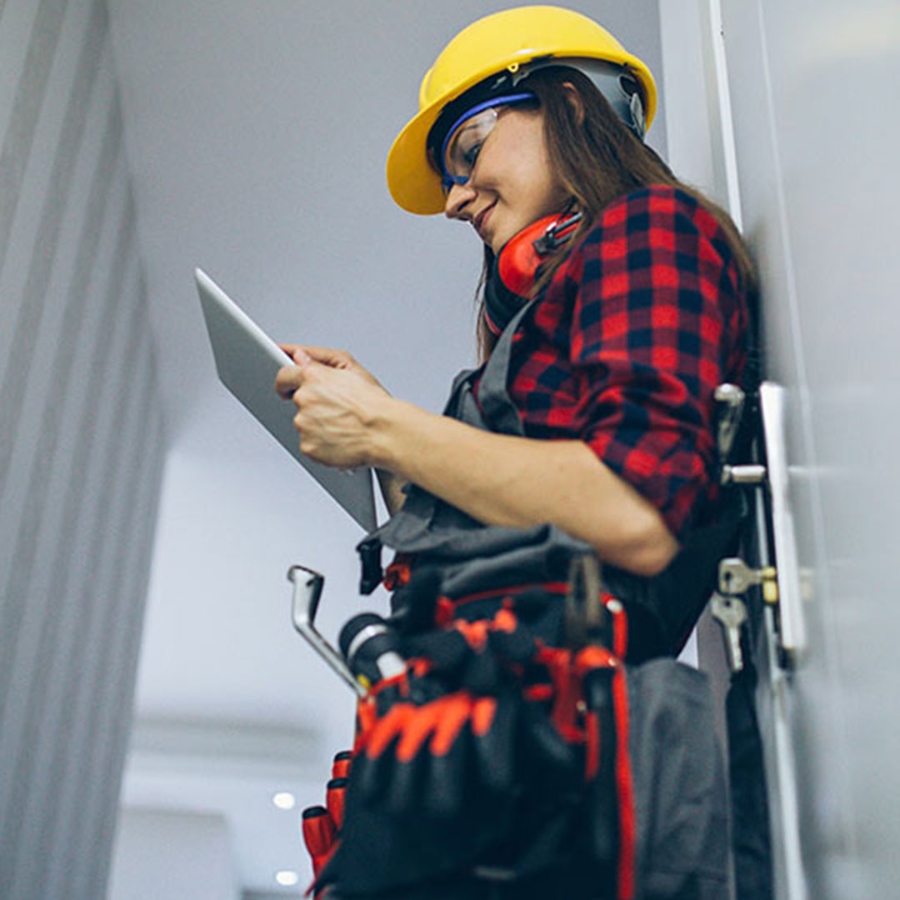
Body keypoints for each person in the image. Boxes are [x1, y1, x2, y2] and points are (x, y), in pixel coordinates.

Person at [277, 7, 755, 899]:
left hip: (541, 776)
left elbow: (632, 511)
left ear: (570, 105)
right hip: (476, 764)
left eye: (464, 150)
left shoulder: (652, 231)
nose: (455, 197)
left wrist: (385, 428)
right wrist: (386, 433)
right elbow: (526, 522)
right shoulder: (554, 311)